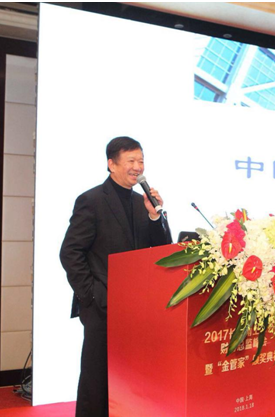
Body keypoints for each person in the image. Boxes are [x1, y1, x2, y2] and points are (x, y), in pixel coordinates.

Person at [60, 136, 172, 417]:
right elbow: (70, 252)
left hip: (137, 306)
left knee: (132, 377)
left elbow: (162, 250)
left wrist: (155, 217)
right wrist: (91, 294)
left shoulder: (141, 202)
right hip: (102, 304)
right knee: (97, 377)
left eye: (141, 161)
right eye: (131, 161)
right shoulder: (92, 200)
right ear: (112, 164)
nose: (138, 167)